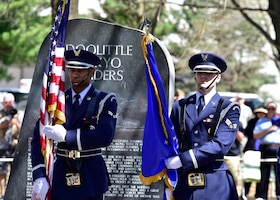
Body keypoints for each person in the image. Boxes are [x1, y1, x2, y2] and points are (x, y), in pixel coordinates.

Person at [31, 49, 118, 200]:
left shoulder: (105, 100)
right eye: (71, 70)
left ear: (92, 72)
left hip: (90, 175)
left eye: (80, 70)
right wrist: (39, 175)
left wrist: (67, 136)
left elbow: (105, 136)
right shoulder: (57, 101)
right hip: (60, 175)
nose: (74, 75)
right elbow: (38, 138)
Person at [165, 52, 240, 200]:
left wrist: (183, 159)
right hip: (184, 180)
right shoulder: (180, 106)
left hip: (215, 182)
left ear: (218, 77)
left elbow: (220, 144)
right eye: (199, 72)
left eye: (209, 73)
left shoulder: (228, 108)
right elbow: (171, 139)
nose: (203, 76)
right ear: (194, 75)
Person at [253, 101, 280, 200]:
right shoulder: (261, 121)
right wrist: (269, 130)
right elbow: (255, 135)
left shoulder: (279, 120)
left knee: (278, 173)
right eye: (269, 108)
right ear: (266, 109)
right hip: (266, 148)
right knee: (264, 173)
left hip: (278, 148)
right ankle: (262, 196)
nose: (271, 110)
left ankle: (278, 195)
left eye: (273, 108)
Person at [242, 106, 267, 198]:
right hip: (251, 149)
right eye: (259, 112)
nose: (261, 114)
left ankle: (259, 195)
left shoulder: (267, 122)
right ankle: (245, 194)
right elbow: (248, 133)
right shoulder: (252, 122)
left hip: (262, 150)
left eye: (263, 113)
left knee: (261, 175)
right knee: (249, 173)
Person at [0, 93, 21, 198]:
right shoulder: (1, 114)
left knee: (15, 170)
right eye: (6, 102)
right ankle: (3, 194)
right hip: (2, 147)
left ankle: (14, 192)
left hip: (14, 146)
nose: (8, 104)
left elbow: (24, 131)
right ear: (3, 103)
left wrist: (16, 123)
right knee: (2, 171)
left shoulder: (18, 114)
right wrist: (5, 123)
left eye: (10, 102)